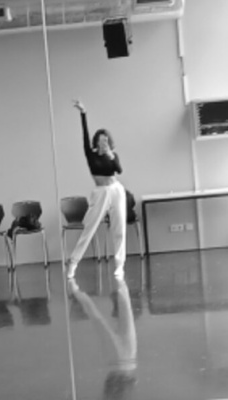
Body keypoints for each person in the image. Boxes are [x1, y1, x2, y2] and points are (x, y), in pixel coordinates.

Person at [66, 100, 127, 279]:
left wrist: (110, 155)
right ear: (96, 141)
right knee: (89, 228)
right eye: (100, 140)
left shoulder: (112, 155)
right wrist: (83, 113)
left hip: (116, 190)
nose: (103, 142)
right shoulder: (90, 154)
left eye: (105, 140)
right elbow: (84, 136)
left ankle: (119, 265)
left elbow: (119, 170)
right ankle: (73, 263)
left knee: (119, 228)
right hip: (101, 192)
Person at [68, 276, 138, 400]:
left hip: (118, 363)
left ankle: (76, 290)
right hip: (126, 362)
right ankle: (120, 278)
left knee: (100, 320)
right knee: (124, 312)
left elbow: (114, 385)